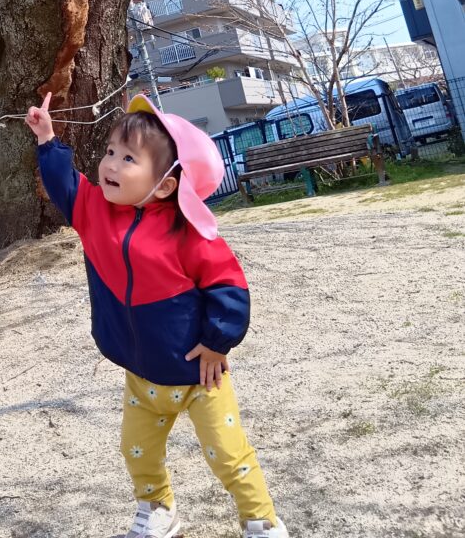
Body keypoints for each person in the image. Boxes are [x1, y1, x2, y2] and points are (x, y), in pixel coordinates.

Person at [25, 91, 288, 538]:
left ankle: (260, 519)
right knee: (137, 451)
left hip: (199, 376)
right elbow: (65, 183)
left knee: (227, 454)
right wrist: (47, 140)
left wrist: (217, 342)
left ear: (164, 184)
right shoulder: (94, 212)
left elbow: (229, 286)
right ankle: (158, 509)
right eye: (111, 152)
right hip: (142, 374)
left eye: (128, 158)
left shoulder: (187, 231)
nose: (110, 165)